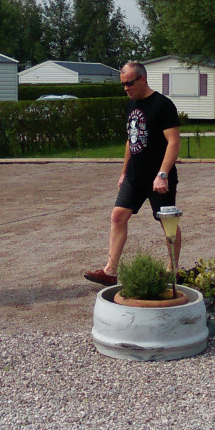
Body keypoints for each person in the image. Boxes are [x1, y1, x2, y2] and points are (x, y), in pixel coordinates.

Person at [84, 61, 181, 286]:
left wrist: (163, 174)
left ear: (143, 79)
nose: (126, 88)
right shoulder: (131, 105)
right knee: (118, 216)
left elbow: (174, 143)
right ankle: (110, 271)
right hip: (135, 176)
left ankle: (172, 270)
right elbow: (131, 139)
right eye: (123, 84)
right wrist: (124, 171)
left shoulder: (162, 104)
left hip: (159, 178)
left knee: (167, 223)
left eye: (129, 83)